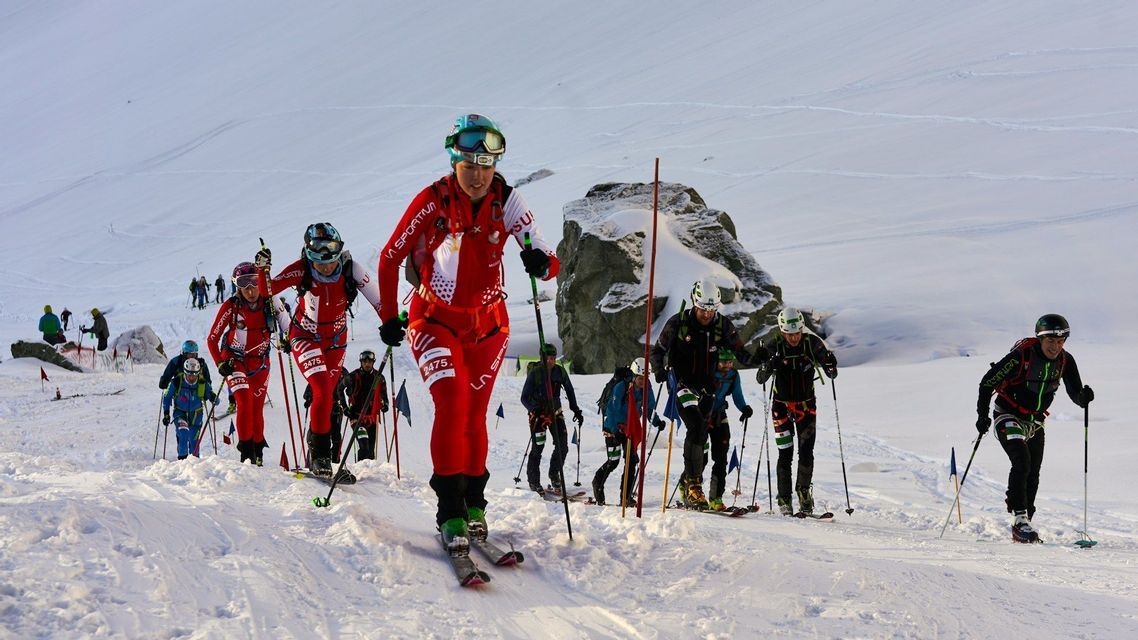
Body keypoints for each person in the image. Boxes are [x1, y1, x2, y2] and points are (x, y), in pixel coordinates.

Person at [376, 113, 559, 555]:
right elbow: (388, 257)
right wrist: (387, 317)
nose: (477, 177)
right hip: (434, 321)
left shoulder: (507, 199)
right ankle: (450, 511)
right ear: (453, 161)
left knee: (476, 414)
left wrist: (540, 263)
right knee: (453, 404)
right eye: (468, 166)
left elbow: (549, 258)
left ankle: (475, 506)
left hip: (490, 326)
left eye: (486, 165)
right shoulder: (433, 200)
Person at [257, 222, 382, 482]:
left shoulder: (351, 269)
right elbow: (267, 291)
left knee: (328, 397)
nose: (326, 267)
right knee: (322, 389)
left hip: (336, 341)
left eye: (331, 260)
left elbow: (379, 300)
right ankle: (321, 456)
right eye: (319, 263)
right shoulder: (302, 270)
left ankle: (319, 456)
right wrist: (262, 271)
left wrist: (394, 324)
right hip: (304, 336)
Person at [976, 313, 1093, 543]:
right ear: (1040, 338)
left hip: (1035, 422)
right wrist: (981, 416)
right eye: (1051, 341)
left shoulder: (1066, 361)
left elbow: (1075, 392)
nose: (1056, 347)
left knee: (1033, 472)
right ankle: (1020, 521)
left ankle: (1026, 520)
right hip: (1007, 414)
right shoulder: (1020, 357)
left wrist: (1084, 398)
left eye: (1060, 342)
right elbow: (987, 382)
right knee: (1022, 461)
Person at [650, 278, 760, 509]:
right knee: (697, 427)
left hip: (708, 388)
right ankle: (693, 487)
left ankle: (686, 483)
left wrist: (758, 359)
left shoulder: (721, 325)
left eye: (711, 309)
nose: (707, 314)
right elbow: (658, 350)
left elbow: (740, 352)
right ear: (694, 303)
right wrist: (659, 370)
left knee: (702, 436)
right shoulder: (678, 323)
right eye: (703, 309)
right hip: (681, 384)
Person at [755, 308, 836, 516]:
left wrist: (830, 365)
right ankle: (783, 498)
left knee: (806, 452)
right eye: (789, 334)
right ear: (782, 331)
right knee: (785, 453)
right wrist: (767, 364)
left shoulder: (811, 343)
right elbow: (760, 378)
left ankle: (804, 494)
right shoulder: (775, 345)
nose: (794, 337)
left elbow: (829, 366)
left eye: (797, 333)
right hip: (781, 408)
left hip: (806, 407)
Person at [207, 263, 274, 466]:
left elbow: (286, 324)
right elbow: (212, 339)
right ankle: (246, 455)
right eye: (245, 285)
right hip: (234, 359)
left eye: (254, 282)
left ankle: (258, 452)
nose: (251, 290)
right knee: (244, 401)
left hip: (260, 361)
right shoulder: (232, 306)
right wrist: (220, 363)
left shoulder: (269, 303)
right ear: (237, 287)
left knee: (256, 409)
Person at [593, 357, 663, 507]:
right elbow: (612, 410)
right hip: (613, 428)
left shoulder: (647, 387)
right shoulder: (621, 387)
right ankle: (597, 483)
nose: (643, 381)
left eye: (646, 378)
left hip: (630, 429)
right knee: (613, 461)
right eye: (640, 378)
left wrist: (657, 421)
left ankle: (625, 495)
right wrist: (615, 430)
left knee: (631, 462)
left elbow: (649, 407)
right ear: (634, 375)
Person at [520, 344, 584, 496]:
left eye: (554, 358)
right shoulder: (535, 373)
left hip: (556, 413)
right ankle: (534, 481)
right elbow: (524, 397)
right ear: (543, 358)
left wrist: (576, 409)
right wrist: (534, 409)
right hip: (539, 415)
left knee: (563, 445)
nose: (552, 361)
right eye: (549, 358)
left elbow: (569, 390)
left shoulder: (559, 371)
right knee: (538, 447)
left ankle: (554, 474)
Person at [704, 349, 754, 511]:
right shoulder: (707, 371)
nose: (728, 365)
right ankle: (688, 487)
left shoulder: (733, 375)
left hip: (719, 416)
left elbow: (737, 395)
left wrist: (744, 408)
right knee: (700, 457)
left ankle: (715, 498)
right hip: (701, 416)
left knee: (721, 457)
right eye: (725, 362)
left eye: (731, 362)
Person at [162, 358, 217, 460]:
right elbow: (167, 397)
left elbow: (213, 397)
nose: (192, 377)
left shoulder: (202, 382)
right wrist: (166, 413)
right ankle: (182, 462)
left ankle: (194, 465)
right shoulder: (177, 381)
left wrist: (214, 398)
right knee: (183, 434)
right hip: (180, 412)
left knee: (194, 441)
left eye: (194, 374)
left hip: (196, 414)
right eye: (189, 375)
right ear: (185, 372)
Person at [344, 350, 389, 461]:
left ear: (373, 362)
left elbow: (384, 396)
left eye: (369, 362)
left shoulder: (379, 377)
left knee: (370, 452)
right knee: (364, 446)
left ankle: (369, 475)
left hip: (372, 418)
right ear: (361, 362)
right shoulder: (353, 376)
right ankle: (360, 472)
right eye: (364, 362)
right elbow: (340, 389)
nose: (367, 364)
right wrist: (345, 407)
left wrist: (385, 405)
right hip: (356, 417)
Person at [303, 366, 350, 463]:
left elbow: (349, 383)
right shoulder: (321, 368)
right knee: (314, 434)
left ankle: (335, 462)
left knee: (336, 436)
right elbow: (312, 384)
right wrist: (308, 397)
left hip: (334, 407)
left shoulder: (343, 371)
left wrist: (350, 390)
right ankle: (312, 460)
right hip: (321, 406)